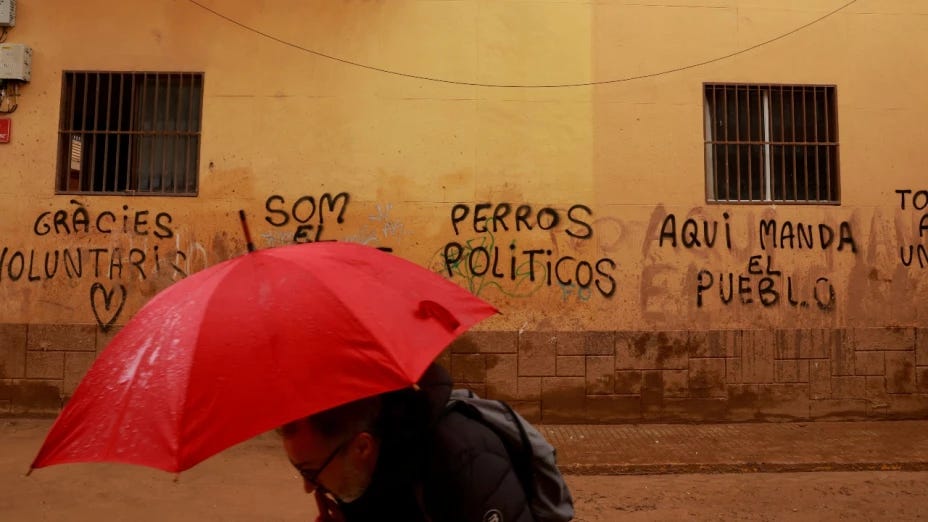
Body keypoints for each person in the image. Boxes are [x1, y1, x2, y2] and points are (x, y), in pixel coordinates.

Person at [278, 363, 534, 522]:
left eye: (310, 471)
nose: (308, 487)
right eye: (299, 469)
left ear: (362, 447)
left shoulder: (464, 460)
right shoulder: (359, 476)